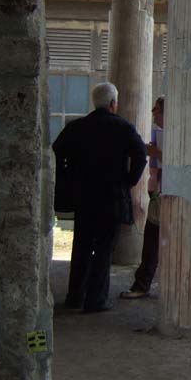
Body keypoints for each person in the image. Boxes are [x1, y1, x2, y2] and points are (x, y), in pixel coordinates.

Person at [53, 82, 146, 313]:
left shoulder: (77, 127)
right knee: (104, 249)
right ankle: (95, 300)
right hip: (112, 197)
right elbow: (141, 155)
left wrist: (68, 178)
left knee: (82, 246)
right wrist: (128, 181)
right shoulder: (123, 127)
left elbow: (56, 152)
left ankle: (75, 296)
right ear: (114, 103)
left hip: (84, 196)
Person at [120, 95, 164, 299]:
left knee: (153, 239)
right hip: (157, 190)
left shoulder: (174, 133)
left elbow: (175, 159)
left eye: (156, 109)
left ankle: (143, 283)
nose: (153, 113)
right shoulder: (160, 131)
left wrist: (154, 151)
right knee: (152, 239)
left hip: (166, 192)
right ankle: (143, 283)